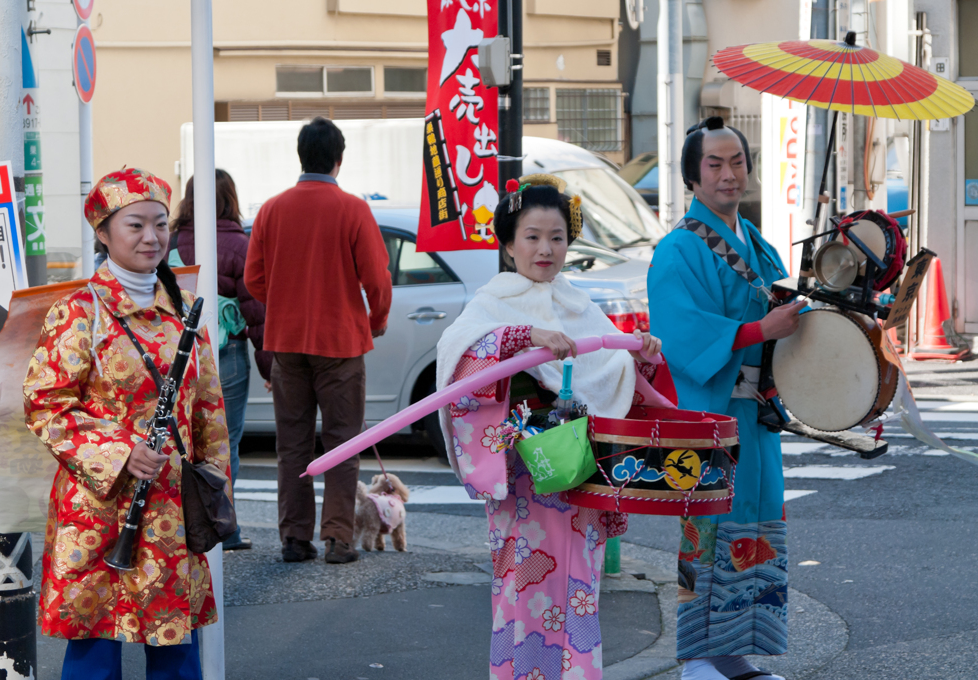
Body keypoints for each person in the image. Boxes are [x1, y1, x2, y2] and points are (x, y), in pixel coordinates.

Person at [436, 175, 669, 680]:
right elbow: (460, 356)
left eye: (557, 237)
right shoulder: (491, 304)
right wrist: (522, 337)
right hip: (526, 474)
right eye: (533, 236)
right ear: (508, 242)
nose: (546, 248)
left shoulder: (578, 304)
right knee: (523, 591)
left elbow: (611, 373)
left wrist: (640, 354)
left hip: (579, 473)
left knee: (580, 590)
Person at [23, 168, 230, 679]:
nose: (152, 237)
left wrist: (214, 480)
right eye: (135, 225)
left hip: (171, 509)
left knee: (175, 645)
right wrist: (119, 450)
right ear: (103, 232)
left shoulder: (181, 311)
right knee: (95, 645)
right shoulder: (78, 311)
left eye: (160, 224)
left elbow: (207, 410)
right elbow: (46, 403)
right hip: (97, 509)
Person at [647, 117, 807, 680]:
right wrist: (760, 331)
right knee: (713, 525)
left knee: (757, 525)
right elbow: (681, 335)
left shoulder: (756, 243)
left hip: (755, 414)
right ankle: (699, 658)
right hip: (711, 415)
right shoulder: (675, 251)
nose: (727, 173)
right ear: (692, 176)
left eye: (736, 161)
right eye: (713, 163)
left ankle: (736, 654)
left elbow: (787, 310)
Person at [245, 116, 392, 565]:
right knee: (342, 443)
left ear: (301, 156)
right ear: (338, 160)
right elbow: (377, 278)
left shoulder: (272, 209)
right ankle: (338, 539)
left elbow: (254, 279)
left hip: (286, 343)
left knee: (291, 444)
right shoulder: (352, 209)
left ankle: (294, 538)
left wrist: (287, 303)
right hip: (341, 344)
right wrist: (376, 319)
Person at [171, 168, 272, 552]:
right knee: (224, 442)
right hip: (226, 353)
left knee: (180, 438)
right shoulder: (239, 245)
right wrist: (268, 368)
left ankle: (179, 523)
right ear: (230, 198)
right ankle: (225, 528)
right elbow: (255, 310)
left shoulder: (170, 242)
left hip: (176, 352)